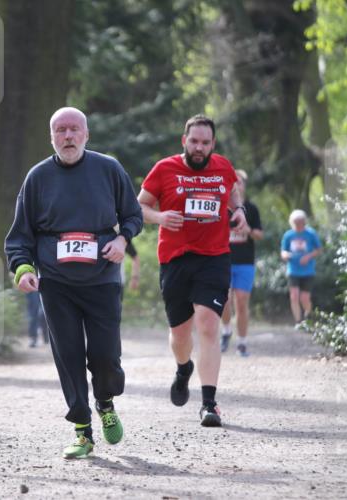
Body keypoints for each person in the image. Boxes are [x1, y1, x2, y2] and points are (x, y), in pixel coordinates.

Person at [5, 107, 143, 459]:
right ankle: (82, 431)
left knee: (106, 356)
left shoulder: (109, 169)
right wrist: (23, 269)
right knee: (67, 355)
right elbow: (20, 236)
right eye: (61, 130)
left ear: (86, 135)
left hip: (102, 278)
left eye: (74, 130)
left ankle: (105, 401)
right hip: (57, 283)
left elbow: (133, 214)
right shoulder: (37, 178)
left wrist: (122, 240)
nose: (68, 136)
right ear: (51, 136)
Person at [137, 114, 247, 427]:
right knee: (180, 335)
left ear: (213, 144)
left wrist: (236, 210)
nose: (199, 148)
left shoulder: (222, 166)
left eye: (205, 143)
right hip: (175, 259)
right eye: (194, 142)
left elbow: (233, 189)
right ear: (184, 141)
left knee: (208, 325)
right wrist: (160, 218)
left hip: (214, 258)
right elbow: (139, 206)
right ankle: (183, 367)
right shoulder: (164, 168)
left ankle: (209, 404)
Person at [220, 170, 263, 357]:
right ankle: (227, 330)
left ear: (244, 186)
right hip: (222, 260)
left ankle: (243, 343)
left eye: (239, 182)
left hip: (245, 262)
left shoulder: (251, 209)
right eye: (233, 182)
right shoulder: (221, 207)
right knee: (224, 301)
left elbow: (260, 235)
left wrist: (248, 229)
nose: (236, 185)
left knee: (242, 303)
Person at [280, 209, 322, 325]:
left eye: (300, 222)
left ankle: (308, 318)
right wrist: (286, 255)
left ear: (304, 222)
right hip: (293, 270)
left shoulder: (311, 234)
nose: (298, 225)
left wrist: (308, 257)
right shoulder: (288, 235)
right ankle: (298, 322)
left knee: (304, 298)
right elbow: (283, 251)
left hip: (308, 271)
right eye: (295, 223)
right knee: (294, 296)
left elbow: (319, 250)